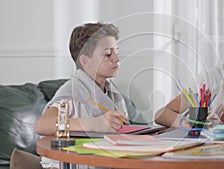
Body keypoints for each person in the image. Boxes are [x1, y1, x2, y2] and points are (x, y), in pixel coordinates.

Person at [35, 22, 147, 169]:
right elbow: (42, 125)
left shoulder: (113, 92)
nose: (117, 59)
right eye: (108, 54)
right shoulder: (72, 91)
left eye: (117, 52)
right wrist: (95, 124)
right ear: (85, 61)